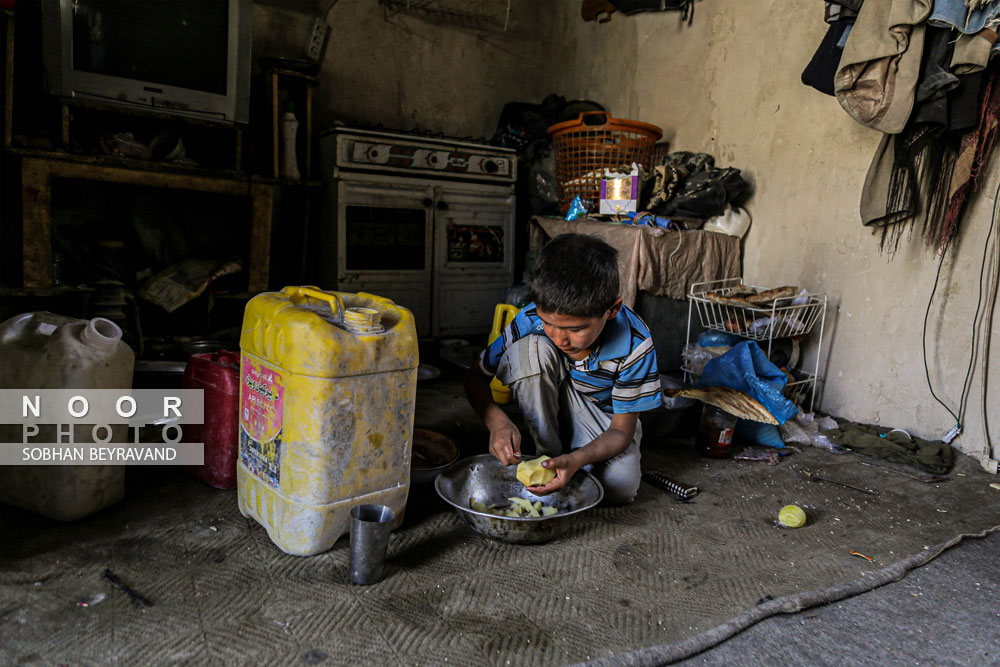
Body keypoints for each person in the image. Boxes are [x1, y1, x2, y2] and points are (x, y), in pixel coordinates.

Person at [464, 233, 662, 505]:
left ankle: (566, 458)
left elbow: (620, 431)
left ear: (612, 309)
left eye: (576, 329)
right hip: (551, 395)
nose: (559, 338)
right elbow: (475, 376)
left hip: (601, 416)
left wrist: (576, 459)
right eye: (549, 324)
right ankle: (547, 453)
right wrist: (497, 423)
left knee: (619, 488)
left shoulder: (636, 343)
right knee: (531, 350)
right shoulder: (530, 319)